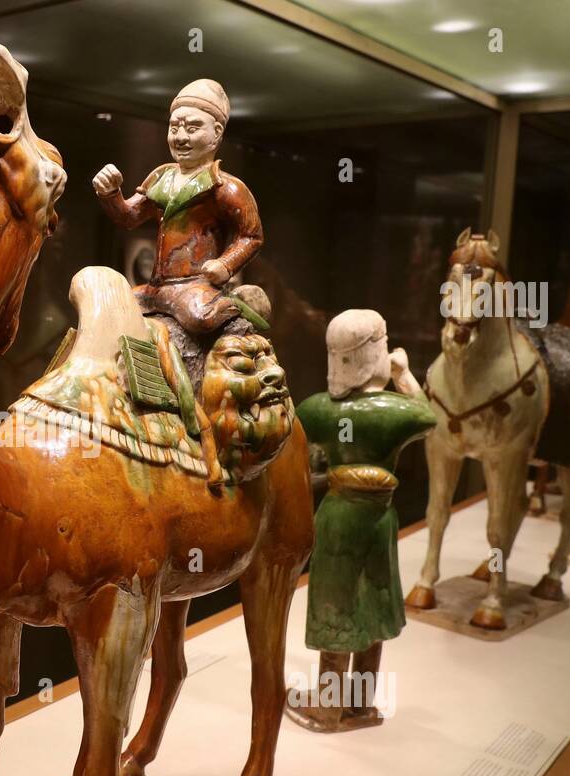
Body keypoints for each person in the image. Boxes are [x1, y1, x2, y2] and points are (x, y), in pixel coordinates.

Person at [288, 310, 436, 733]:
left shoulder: (317, 409)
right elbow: (427, 418)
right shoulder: (394, 411)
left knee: (337, 605)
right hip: (381, 517)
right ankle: (360, 706)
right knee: (373, 604)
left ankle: (328, 710)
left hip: (338, 516)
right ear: (378, 352)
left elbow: (303, 443)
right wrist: (404, 375)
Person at [92, 79, 265, 386]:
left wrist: (225, 266)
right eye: (175, 127)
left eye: (193, 127)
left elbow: (251, 236)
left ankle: (235, 306)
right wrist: (111, 194)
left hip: (194, 286)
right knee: (112, 308)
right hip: (157, 287)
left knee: (200, 318)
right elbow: (129, 217)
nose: (181, 136)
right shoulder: (161, 176)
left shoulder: (226, 187)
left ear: (217, 134)